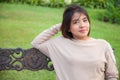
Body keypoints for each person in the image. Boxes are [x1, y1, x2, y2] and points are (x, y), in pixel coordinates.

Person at [31, 4, 119, 80]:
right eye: (75, 22)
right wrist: (58, 27)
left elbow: (112, 76)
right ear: (68, 27)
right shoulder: (59, 44)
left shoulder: (102, 45)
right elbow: (36, 42)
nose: (82, 25)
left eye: (85, 20)